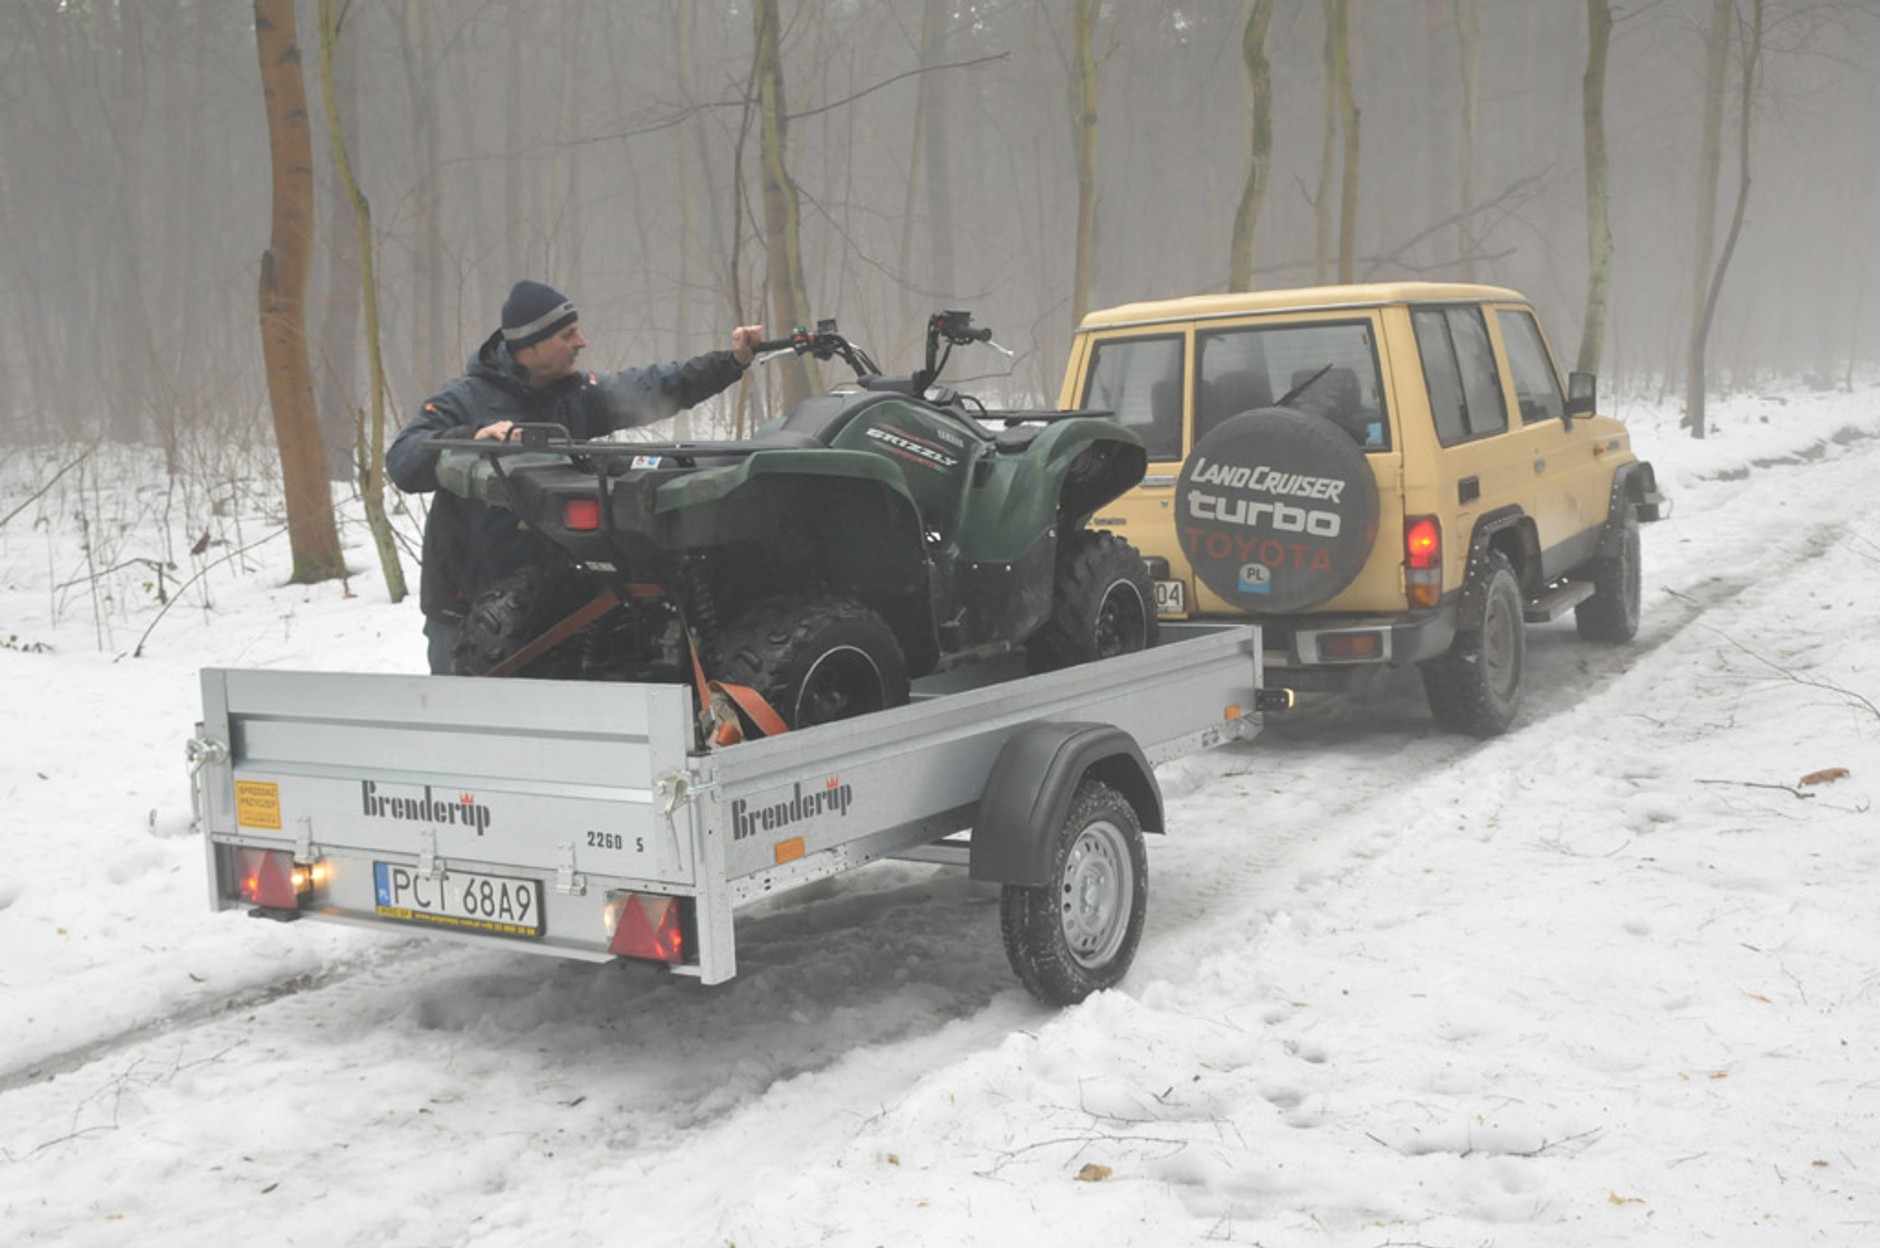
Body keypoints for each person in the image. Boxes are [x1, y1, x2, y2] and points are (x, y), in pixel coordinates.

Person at [390, 280, 764, 673]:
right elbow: (404, 459)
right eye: (568, 334)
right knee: (467, 720)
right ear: (530, 345)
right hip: (466, 610)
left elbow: (656, 385)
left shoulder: (575, 395)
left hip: (548, 607)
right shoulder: (464, 399)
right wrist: (469, 438)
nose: (581, 342)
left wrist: (731, 361)